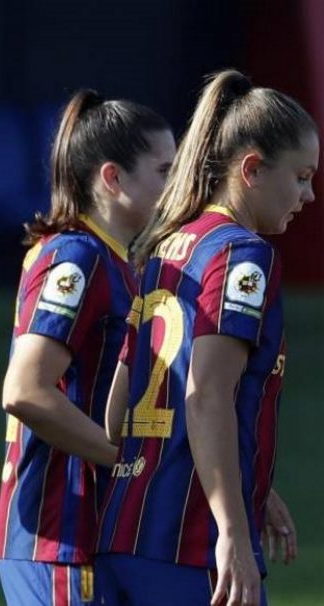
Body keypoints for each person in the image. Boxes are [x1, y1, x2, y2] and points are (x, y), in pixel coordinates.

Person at [96, 69, 316, 606]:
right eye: (303, 177)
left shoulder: (166, 247)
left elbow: (118, 412)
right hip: (192, 548)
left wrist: (244, 484)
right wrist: (233, 535)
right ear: (252, 169)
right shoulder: (244, 255)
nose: (309, 196)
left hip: (123, 534)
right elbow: (206, 395)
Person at [0, 89, 175, 605]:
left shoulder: (117, 260)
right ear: (113, 179)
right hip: (59, 535)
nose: (177, 186)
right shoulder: (77, 256)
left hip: (90, 535)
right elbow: (26, 389)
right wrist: (128, 463)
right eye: (165, 172)